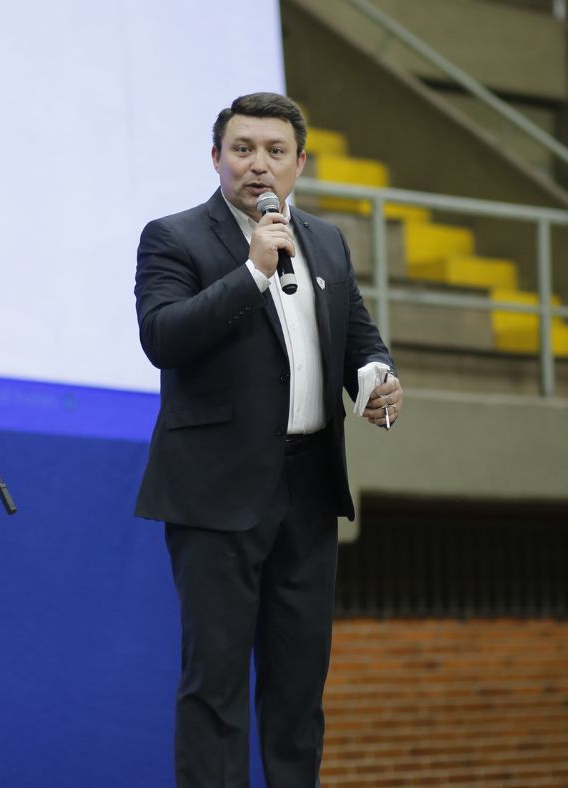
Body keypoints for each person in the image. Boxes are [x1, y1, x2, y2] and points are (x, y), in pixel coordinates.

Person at [134, 92, 402, 787]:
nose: (259, 164)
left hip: (309, 490)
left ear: (299, 162)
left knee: (298, 689)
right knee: (215, 686)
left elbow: (359, 338)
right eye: (243, 149)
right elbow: (163, 337)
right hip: (216, 494)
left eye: (275, 151)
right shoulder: (173, 237)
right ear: (216, 157)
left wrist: (377, 379)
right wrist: (252, 270)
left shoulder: (326, 241)